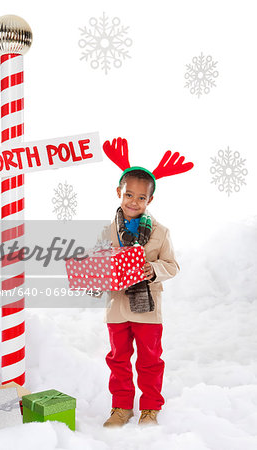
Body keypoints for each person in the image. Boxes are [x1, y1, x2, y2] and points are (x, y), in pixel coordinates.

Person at [94, 167, 180, 427]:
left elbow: (173, 265)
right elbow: (98, 266)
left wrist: (152, 269)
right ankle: (121, 407)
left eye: (141, 198)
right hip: (117, 307)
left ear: (149, 200)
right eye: (129, 194)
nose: (133, 201)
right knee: (118, 359)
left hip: (148, 310)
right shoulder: (107, 232)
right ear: (119, 193)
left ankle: (150, 408)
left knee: (149, 360)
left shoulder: (160, 232)